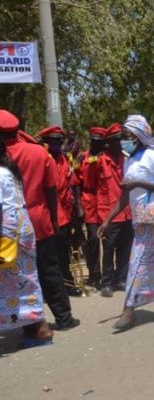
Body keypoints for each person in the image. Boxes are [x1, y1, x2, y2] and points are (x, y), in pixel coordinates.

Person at [98, 115, 154, 331]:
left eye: (127, 136)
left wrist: (140, 183)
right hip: (139, 217)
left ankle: (129, 309)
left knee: (137, 260)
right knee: (153, 259)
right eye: (122, 137)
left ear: (138, 137)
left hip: (153, 218)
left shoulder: (151, 156)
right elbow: (125, 195)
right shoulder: (129, 159)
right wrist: (108, 220)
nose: (123, 141)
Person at [0, 110, 79, 331]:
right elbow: (51, 189)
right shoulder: (38, 152)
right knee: (50, 270)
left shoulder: (5, 156)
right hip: (39, 220)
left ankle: (29, 323)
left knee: (17, 276)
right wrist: (54, 218)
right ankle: (64, 317)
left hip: (9, 227)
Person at [0, 136, 54, 348]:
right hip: (22, 232)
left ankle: (40, 329)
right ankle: (36, 329)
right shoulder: (10, 173)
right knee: (25, 282)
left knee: (17, 283)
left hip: (9, 236)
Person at [38, 126, 81, 297]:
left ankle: (68, 285)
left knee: (64, 253)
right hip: (47, 216)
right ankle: (51, 290)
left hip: (64, 215)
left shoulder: (64, 159)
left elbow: (70, 184)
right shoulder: (43, 160)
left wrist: (76, 209)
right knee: (48, 257)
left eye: (59, 141)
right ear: (46, 143)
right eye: (53, 141)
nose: (57, 144)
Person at [97, 123, 134, 297]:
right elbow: (90, 187)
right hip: (108, 213)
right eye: (118, 140)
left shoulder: (126, 158)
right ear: (109, 143)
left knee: (125, 247)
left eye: (122, 139)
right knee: (108, 248)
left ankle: (121, 278)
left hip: (127, 211)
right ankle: (107, 282)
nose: (122, 143)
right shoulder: (99, 161)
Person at [79, 127, 106, 287]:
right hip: (89, 200)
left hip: (105, 200)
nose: (95, 144)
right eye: (93, 141)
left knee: (110, 241)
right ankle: (94, 274)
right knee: (93, 239)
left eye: (99, 142)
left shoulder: (106, 157)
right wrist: (78, 205)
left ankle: (110, 275)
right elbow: (76, 182)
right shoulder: (82, 157)